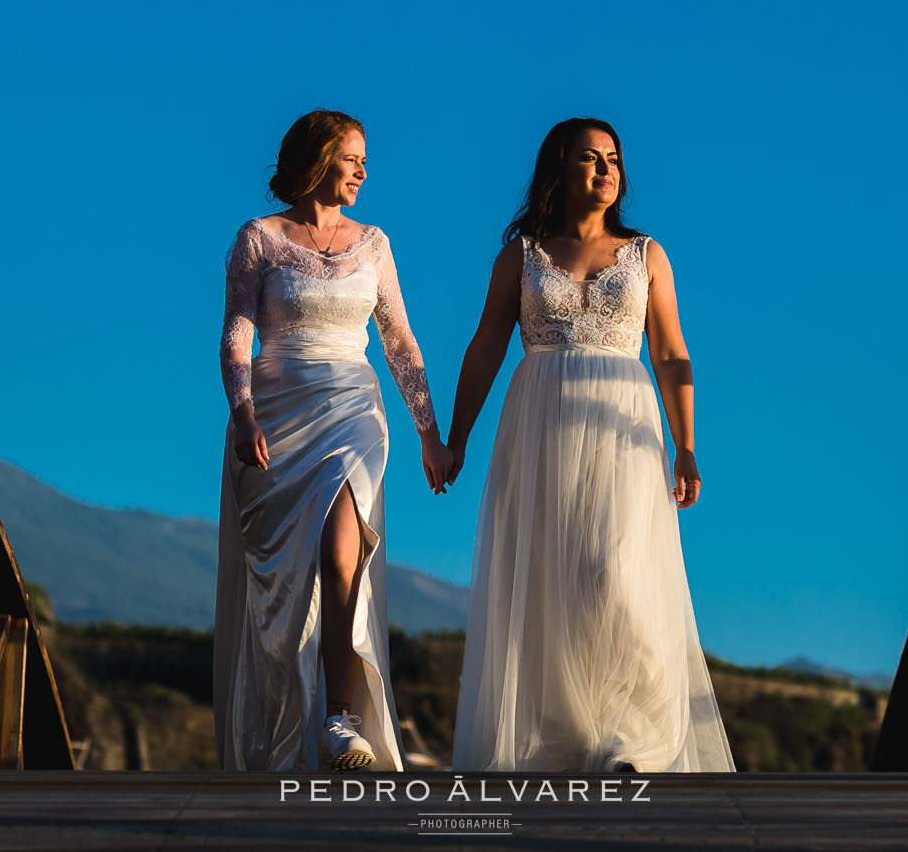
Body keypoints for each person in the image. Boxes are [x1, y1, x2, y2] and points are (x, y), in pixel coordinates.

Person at [446, 117, 733, 772]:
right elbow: (487, 345)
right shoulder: (521, 254)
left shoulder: (646, 255)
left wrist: (686, 445)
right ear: (559, 167)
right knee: (550, 577)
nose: (606, 169)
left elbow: (669, 351)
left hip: (621, 423)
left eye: (614, 159)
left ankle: (633, 736)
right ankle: (565, 733)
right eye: (590, 158)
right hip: (539, 423)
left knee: (618, 572)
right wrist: (454, 437)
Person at [213, 109, 452, 771]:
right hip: (278, 415)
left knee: (344, 552)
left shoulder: (373, 243)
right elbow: (236, 334)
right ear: (319, 158)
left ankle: (340, 718)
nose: (364, 170)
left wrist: (429, 434)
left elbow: (400, 343)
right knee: (284, 582)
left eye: (366, 159)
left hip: (353, 407)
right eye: (354, 157)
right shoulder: (257, 239)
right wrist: (243, 412)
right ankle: (280, 725)